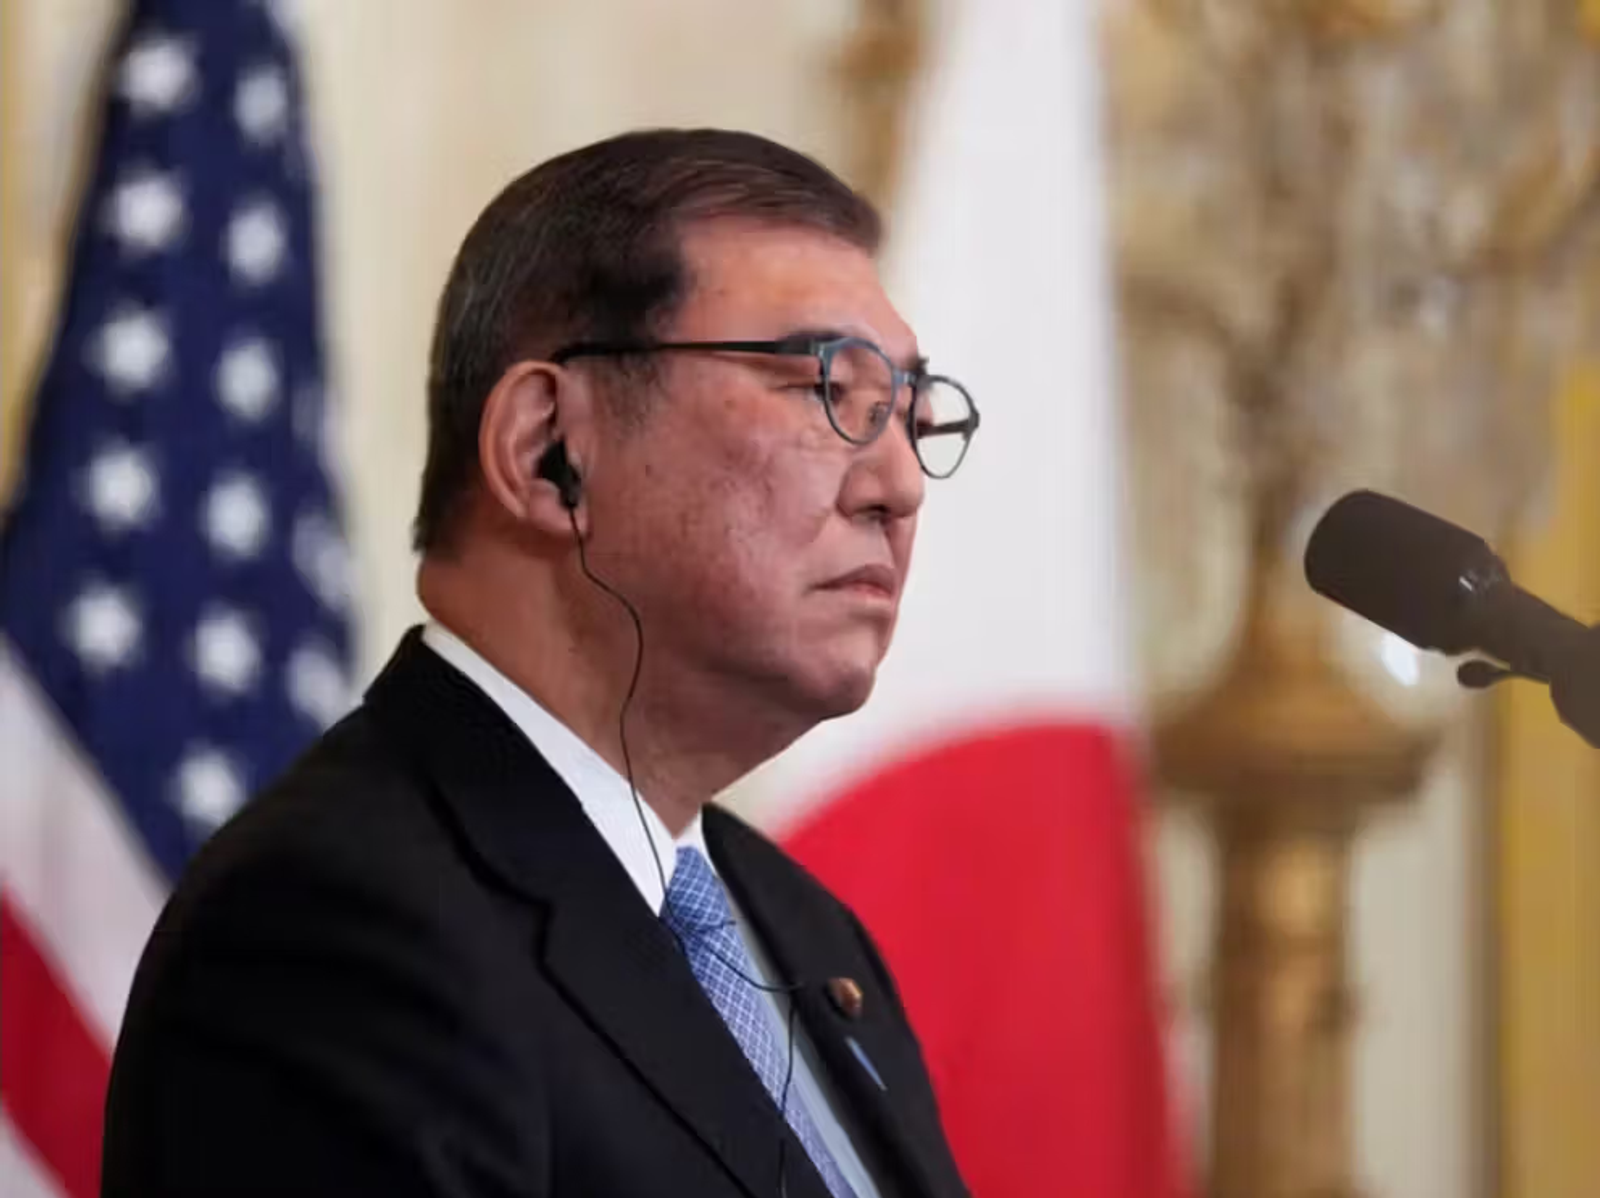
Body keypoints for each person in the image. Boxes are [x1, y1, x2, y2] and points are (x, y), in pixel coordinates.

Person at [100, 128, 980, 1198]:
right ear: (549, 449)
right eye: (827, 390)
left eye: (910, 414)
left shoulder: (806, 931)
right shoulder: (330, 931)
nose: (899, 485)